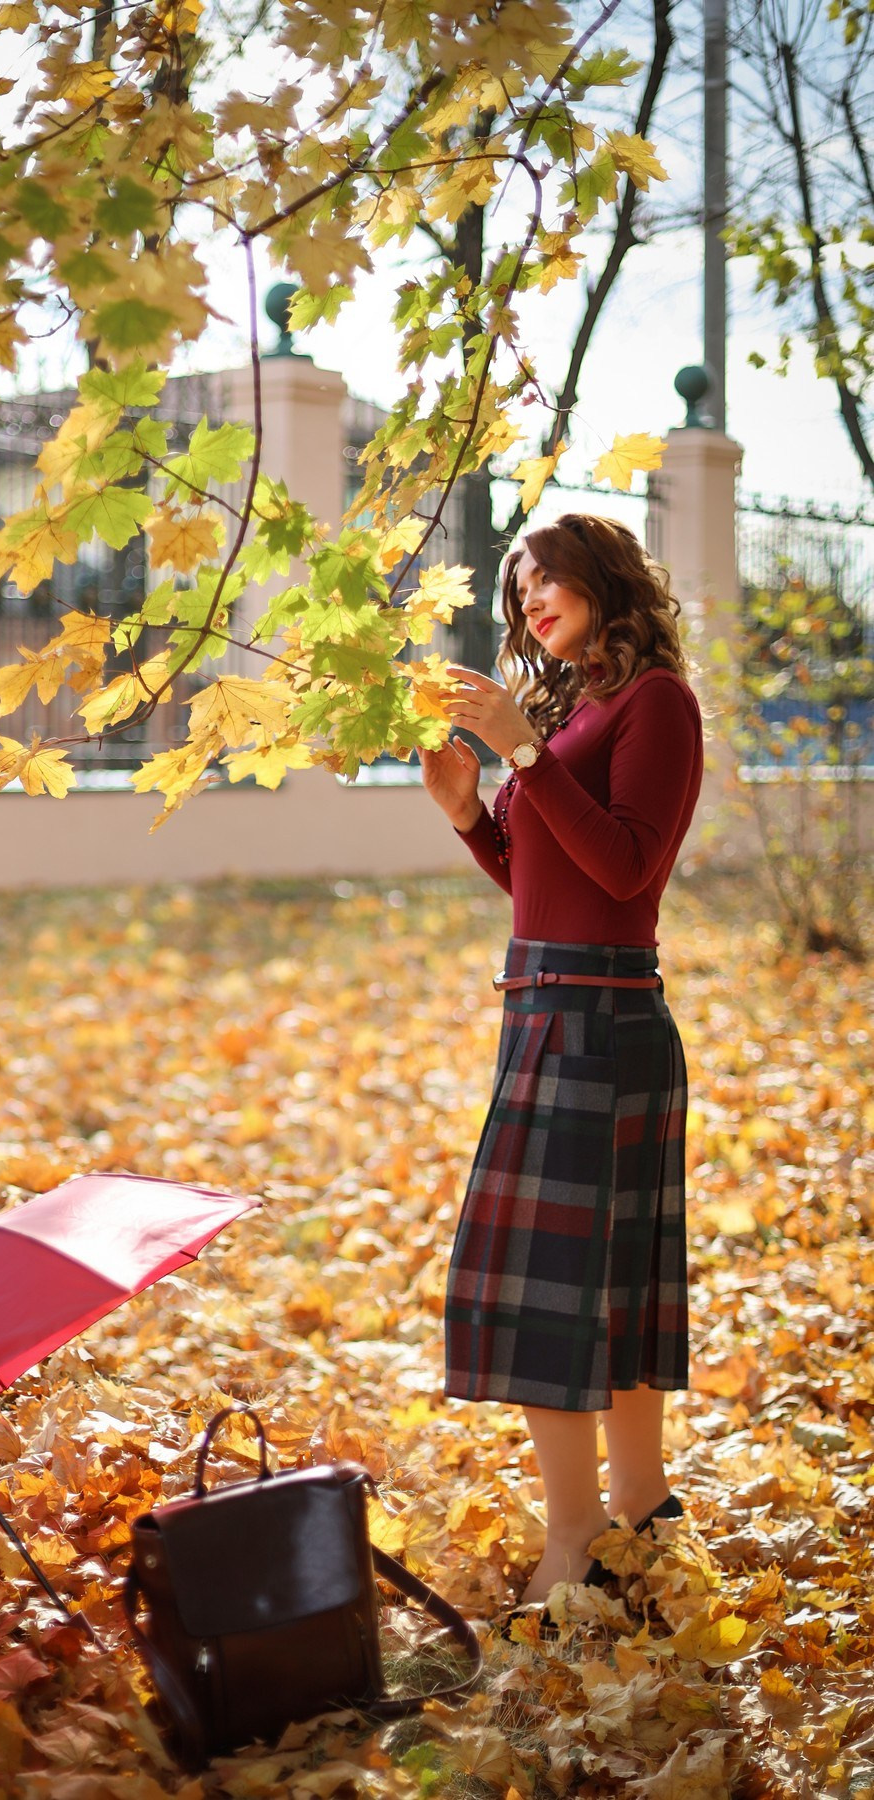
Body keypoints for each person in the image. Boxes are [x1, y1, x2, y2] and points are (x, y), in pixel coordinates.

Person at [419, 513, 703, 1610]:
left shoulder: (654, 704)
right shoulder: (570, 708)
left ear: (599, 578)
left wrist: (523, 755)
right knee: (604, 1281)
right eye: (516, 588)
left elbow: (627, 872)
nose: (528, 600)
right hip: (545, 1007)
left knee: (558, 1293)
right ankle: (641, 1507)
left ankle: (577, 1532)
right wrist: (469, 821)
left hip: (605, 1017)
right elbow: (546, 885)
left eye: (544, 578)